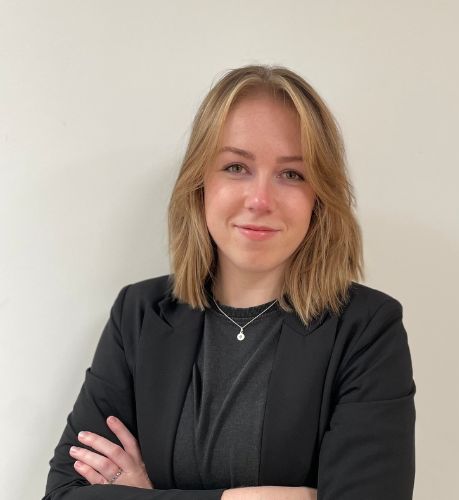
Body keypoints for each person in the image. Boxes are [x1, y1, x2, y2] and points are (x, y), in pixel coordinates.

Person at [43, 64, 416, 500]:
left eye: (292, 174)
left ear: (320, 196)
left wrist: (145, 494)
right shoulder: (139, 315)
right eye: (236, 167)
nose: (259, 200)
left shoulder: (367, 329)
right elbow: (63, 494)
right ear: (200, 182)